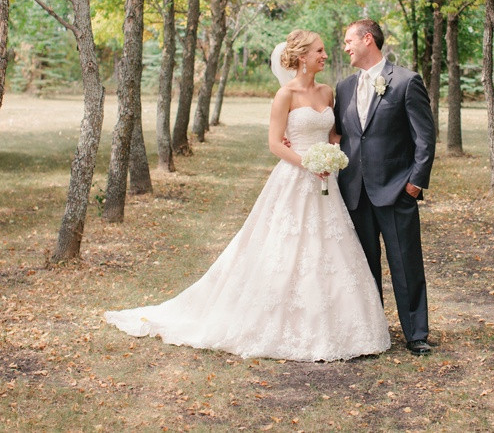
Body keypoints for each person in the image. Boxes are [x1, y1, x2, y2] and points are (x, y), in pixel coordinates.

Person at [104, 29, 390, 362]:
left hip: (327, 185)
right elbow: (273, 143)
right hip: (296, 179)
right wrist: (309, 162)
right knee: (284, 249)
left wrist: (332, 155)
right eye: (320, 51)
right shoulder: (285, 95)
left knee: (331, 250)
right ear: (302, 57)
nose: (325, 56)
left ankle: (339, 326)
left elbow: (333, 133)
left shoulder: (327, 93)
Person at [333, 19, 436, 356]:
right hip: (354, 193)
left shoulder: (406, 81)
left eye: (349, 40)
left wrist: (414, 184)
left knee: (406, 262)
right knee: (364, 265)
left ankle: (416, 333)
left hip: (395, 190)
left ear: (367, 39)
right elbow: (341, 136)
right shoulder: (344, 87)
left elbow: (425, 138)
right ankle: (371, 330)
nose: (346, 47)